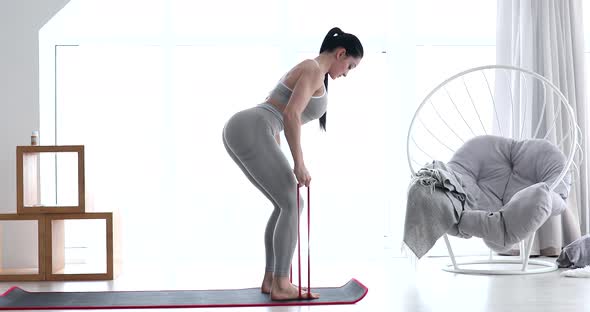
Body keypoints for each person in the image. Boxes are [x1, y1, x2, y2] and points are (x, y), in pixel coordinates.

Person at [222, 27, 363, 301]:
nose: (346, 73)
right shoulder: (312, 69)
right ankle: (282, 283)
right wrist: (299, 163)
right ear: (341, 53)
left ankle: (272, 279)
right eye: (350, 66)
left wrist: (280, 156)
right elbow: (290, 115)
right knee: (292, 204)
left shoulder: (310, 71)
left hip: (247, 127)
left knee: (285, 203)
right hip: (254, 127)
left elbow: (277, 109)